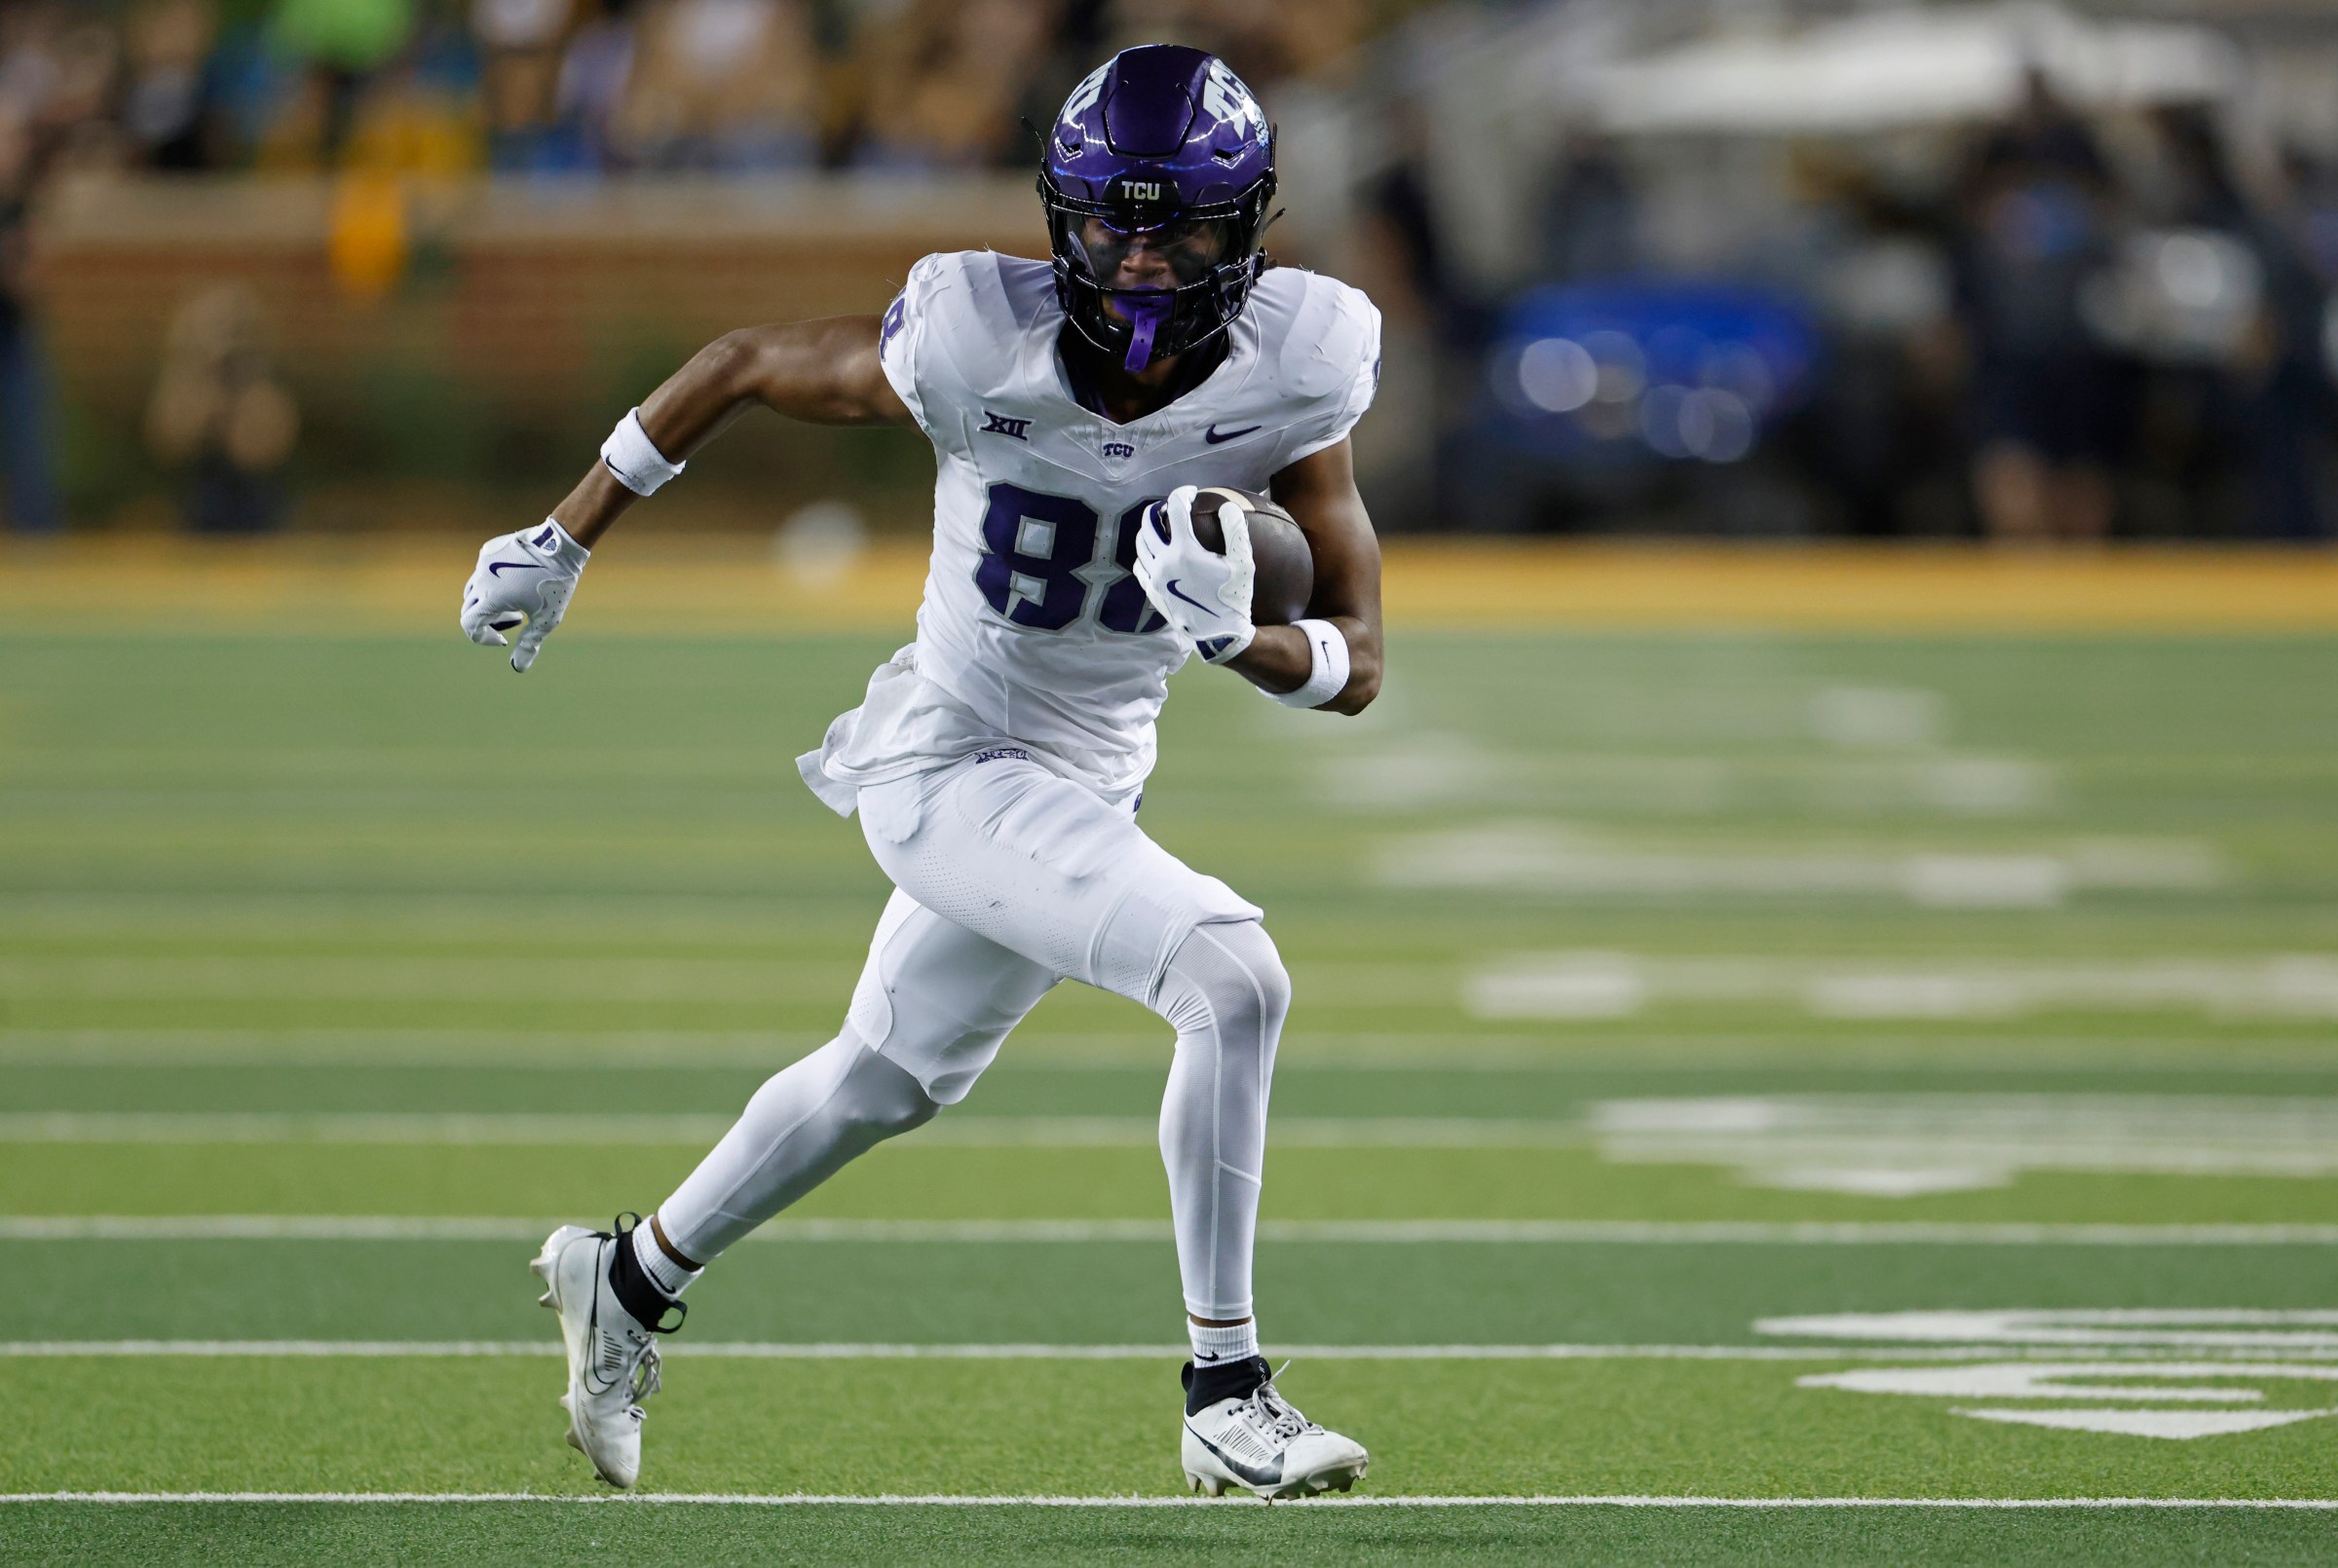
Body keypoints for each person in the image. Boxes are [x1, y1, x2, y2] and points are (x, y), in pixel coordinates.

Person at [458, 44, 1382, 1499]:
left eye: (1181, 227)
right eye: (1110, 224)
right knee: (1233, 976)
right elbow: (743, 363)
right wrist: (563, 538)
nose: (1141, 265)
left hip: (1085, 780)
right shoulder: (970, 336)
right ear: (1060, 219)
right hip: (949, 759)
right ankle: (1226, 1387)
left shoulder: (1302, 361)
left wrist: (1244, 641)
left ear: (1247, 225)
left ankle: (623, 1279)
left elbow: (1359, 654)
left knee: (883, 1077)